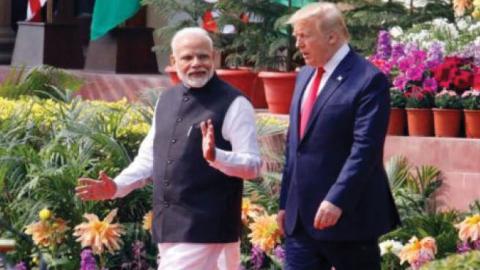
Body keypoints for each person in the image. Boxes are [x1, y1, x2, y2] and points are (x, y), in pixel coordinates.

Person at [75, 27, 261, 270]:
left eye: (203, 56)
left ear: (214, 57)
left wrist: (217, 156)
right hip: (169, 228)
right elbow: (149, 161)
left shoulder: (235, 103)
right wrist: (116, 187)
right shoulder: (166, 100)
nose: (196, 63)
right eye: (187, 57)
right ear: (174, 61)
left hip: (208, 229)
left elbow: (253, 166)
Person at [277, 3, 400, 270]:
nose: (298, 44)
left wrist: (337, 199)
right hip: (300, 223)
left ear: (332, 36)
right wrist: (286, 200)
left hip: (347, 219)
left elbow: (365, 149)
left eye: (304, 36)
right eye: (296, 36)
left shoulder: (368, 80)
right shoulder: (305, 75)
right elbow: (294, 144)